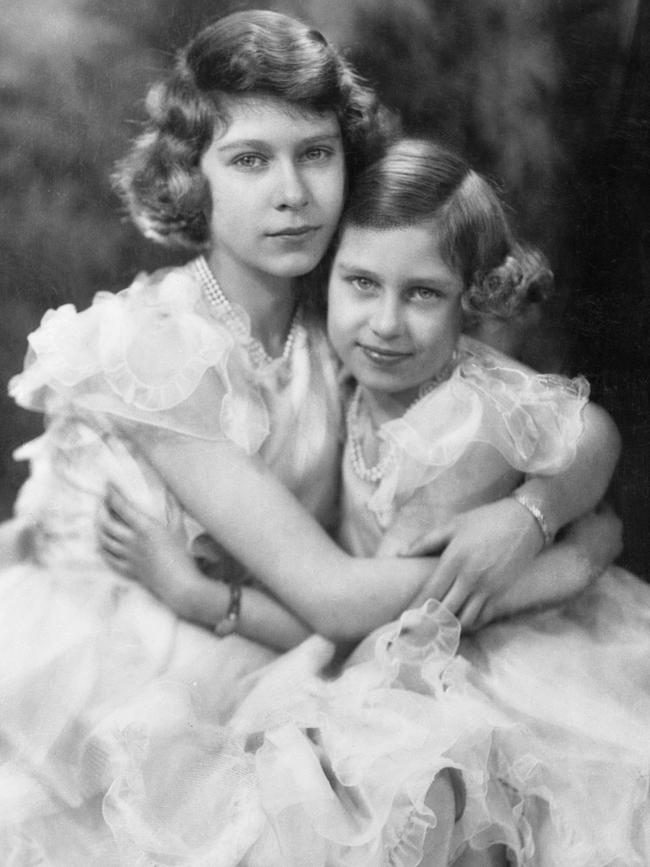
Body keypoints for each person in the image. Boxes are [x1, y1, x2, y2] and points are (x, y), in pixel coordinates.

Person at [0, 9, 619, 863]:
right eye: (250, 159)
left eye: (316, 153)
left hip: (284, 624)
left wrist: (531, 515)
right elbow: (331, 595)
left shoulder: (348, 304)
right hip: (126, 652)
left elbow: (573, 429)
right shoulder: (156, 350)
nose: (292, 192)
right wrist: (569, 561)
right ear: (192, 177)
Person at [97, 140, 631, 867]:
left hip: (454, 665)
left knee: (406, 802)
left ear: (471, 296)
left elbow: (370, 621)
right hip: (397, 638)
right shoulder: (344, 372)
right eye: (361, 283)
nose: (384, 323)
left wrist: (202, 597)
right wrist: (574, 536)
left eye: (423, 293)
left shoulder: (462, 424)